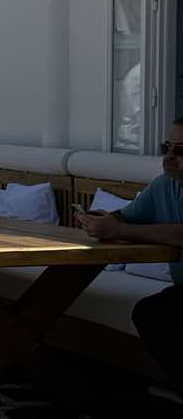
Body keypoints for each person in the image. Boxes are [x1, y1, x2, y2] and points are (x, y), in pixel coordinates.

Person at [76, 118, 183, 397]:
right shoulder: (164, 185)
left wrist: (119, 229)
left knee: (157, 312)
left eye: (180, 150)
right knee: (153, 312)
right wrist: (102, 220)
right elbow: (127, 216)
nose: (170, 156)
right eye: (167, 148)